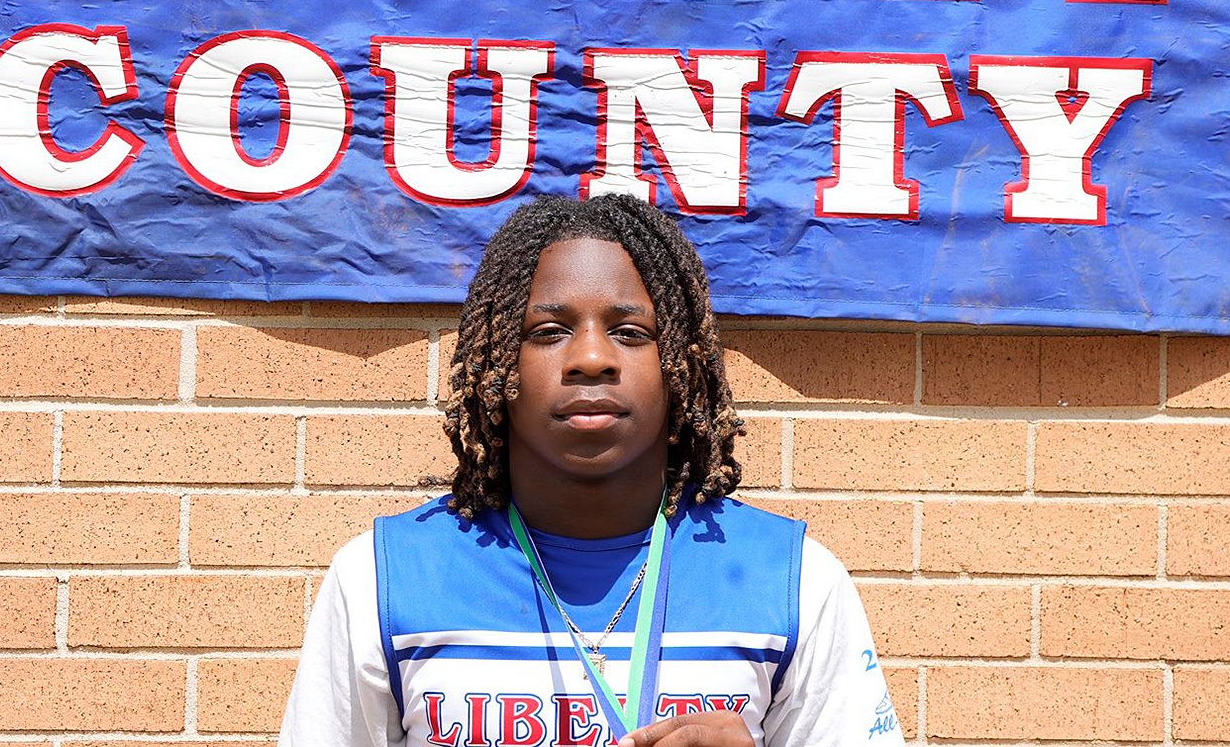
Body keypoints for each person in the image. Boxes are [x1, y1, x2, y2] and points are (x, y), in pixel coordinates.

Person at [279, 194, 904, 747]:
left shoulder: (795, 583)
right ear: (498, 364)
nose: (591, 358)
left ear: (681, 364)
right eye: (548, 331)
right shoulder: (380, 581)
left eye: (631, 333)